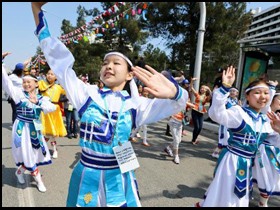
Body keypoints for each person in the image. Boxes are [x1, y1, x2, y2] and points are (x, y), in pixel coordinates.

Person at [31, 2, 188, 207]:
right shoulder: (86, 94)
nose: (109, 66)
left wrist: (175, 92)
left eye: (116, 63)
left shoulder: (136, 105)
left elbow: (179, 104)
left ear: (130, 74)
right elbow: (59, 62)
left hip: (119, 176)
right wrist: (36, 10)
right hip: (87, 173)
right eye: (105, 63)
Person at [195, 66, 280, 207]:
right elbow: (217, 114)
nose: (263, 97)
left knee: (238, 200)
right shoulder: (239, 113)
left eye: (266, 93)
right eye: (257, 93)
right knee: (225, 198)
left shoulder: (266, 120)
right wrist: (225, 88)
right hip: (231, 162)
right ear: (247, 96)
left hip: (248, 163)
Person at [2, 54, 56, 192]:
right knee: (25, 153)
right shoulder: (18, 95)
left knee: (34, 152)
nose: (26, 84)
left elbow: (52, 108)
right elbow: (7, 83)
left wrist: (37, 102)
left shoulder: (41, 98)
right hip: (21, 128)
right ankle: (38, 179)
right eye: (24, 82)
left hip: (35, 128)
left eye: (29, 82)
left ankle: (20, 171)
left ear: (36, 83)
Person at [252, 91, 280, 207]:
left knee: (270, 177)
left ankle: (263, 203)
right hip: (255, 149)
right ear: (271, 99)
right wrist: (271, 89)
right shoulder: (263, 112)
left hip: (272, 153)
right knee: (250, 174)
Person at [38, 67, 67, 159]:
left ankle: (54, 150)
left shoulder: (59, 87)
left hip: (54, 111)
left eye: (52, 74)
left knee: (52, 133)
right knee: (42, 132)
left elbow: (68, 93)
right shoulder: (41, 84)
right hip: (43, 110)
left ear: (56, 77)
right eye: (48, 73)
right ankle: (41, 148)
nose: (49, 75)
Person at [211, 87, 241, 159]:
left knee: (228, 138)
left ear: (237, 93)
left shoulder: (236, 101)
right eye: (231, 91)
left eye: (234, 91)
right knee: (224, 137)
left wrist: (240, 106)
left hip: (231, 122)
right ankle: (216, 152)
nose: (232, 92)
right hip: (225, 121)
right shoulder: (226, 100)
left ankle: (219, 153)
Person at [189, 77, 212, 145]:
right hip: (195, 110)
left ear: (206, 90)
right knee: (197, 127)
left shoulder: (206, 97)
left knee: (200, 127)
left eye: (203, 88)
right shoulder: (197, 95)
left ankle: (194, 139)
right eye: (201, 88)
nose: (202, 89)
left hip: (201, 111)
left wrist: (209, 89)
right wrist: (192, 81)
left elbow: (211, 95)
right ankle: (193, 140)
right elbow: (191, 87)